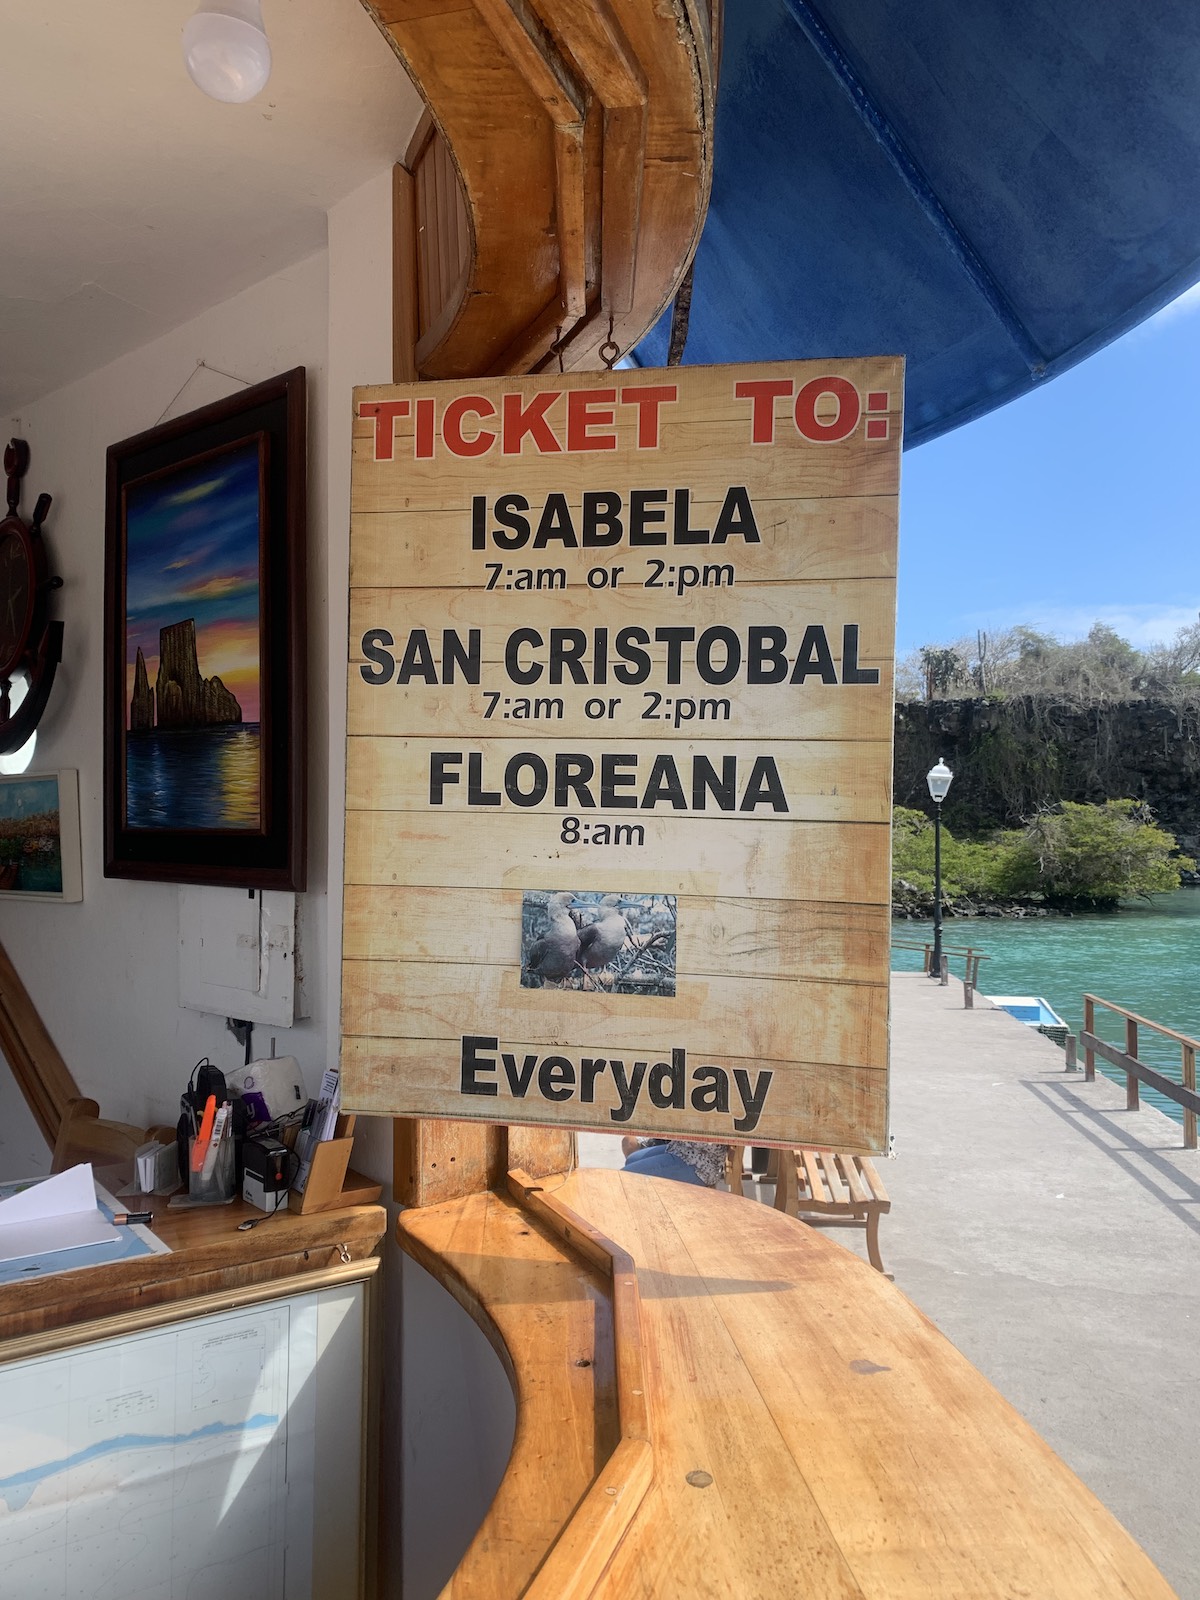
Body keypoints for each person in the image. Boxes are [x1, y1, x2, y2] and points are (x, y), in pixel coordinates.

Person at [621, 1134, 730, 1188]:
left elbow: (707, 1143)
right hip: (679, 1148)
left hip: (699, 1164)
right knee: (631, 1159)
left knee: (624, 1177)